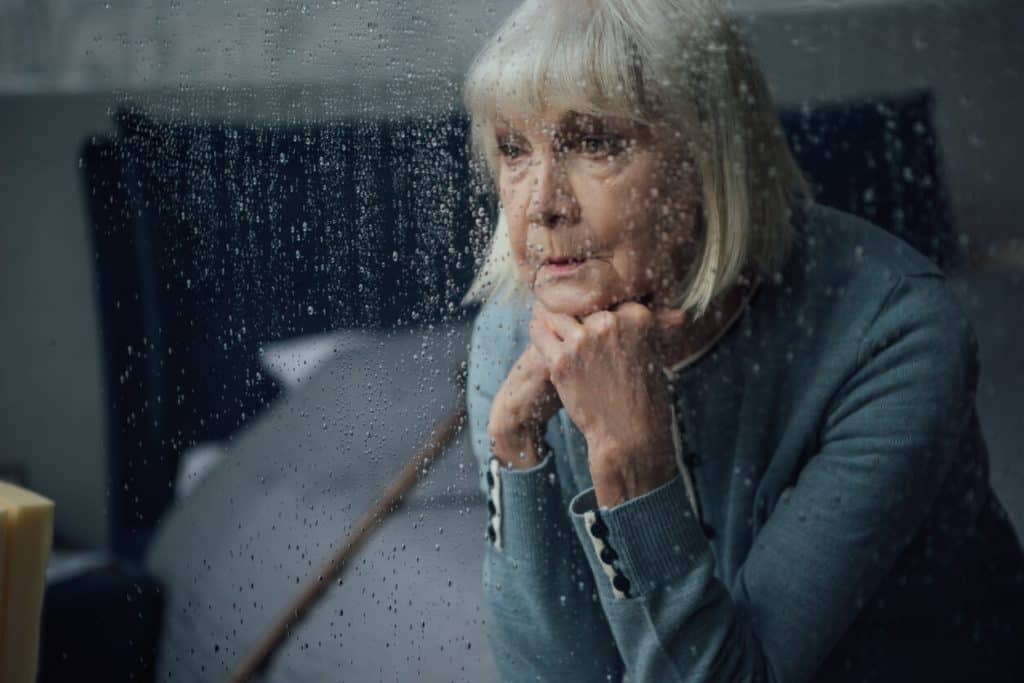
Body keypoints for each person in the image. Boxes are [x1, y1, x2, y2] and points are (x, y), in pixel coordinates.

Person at [462, 1, 1024, 681]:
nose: (541, 203)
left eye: (596, 142)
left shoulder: (896, 338)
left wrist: (635, 470)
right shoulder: (508, 337)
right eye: (514, 150)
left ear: (706, 152)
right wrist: (517, 458)